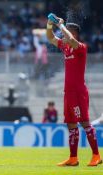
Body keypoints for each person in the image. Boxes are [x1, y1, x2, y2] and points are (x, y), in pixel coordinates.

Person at [46, 14, 102, 166]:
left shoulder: (81, 47)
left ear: (74, 33)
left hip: (78, 92)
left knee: (84, 122)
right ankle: (73, 158)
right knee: (71, 124)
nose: (62, 35)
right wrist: (50, 24)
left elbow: (70, 39)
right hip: (68, 92)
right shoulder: (65, 47)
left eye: (66, 31)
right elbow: (50, 37)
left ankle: (96, 155)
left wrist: (61, 25)